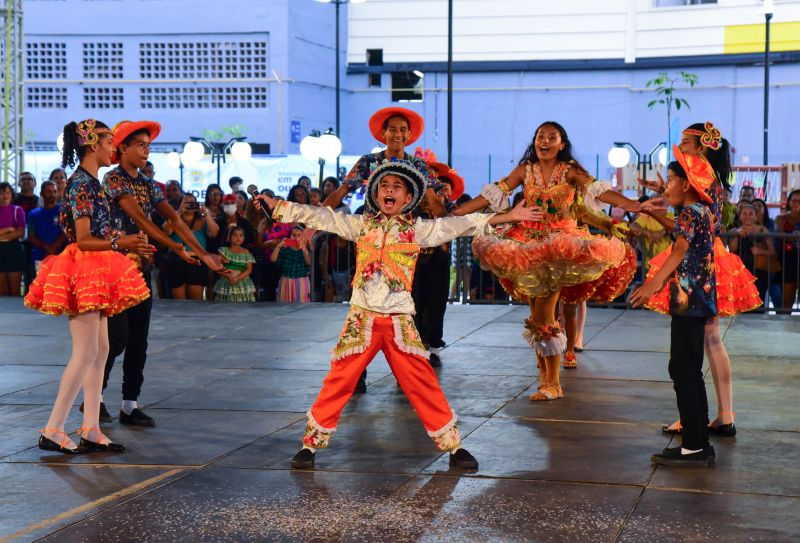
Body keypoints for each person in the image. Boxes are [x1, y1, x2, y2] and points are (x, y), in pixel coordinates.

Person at [255, 161, 542, 470]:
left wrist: (509, 216)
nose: (388, 189)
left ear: (408, 198)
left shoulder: (417, 230)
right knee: (339, 381)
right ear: (376, 195)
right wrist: (277, 207)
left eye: (396, 186)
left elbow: (461, 224)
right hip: (362, 320)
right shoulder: (362, 225)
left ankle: (453, 446)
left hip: (399, 322)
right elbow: (320, 216)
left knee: (422, 382)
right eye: (383, 186)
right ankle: (310, 446)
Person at [459, 121, 629, 401]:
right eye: (541, 136)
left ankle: (554, 383)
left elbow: (597, 191)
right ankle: (544, 377)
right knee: (536, 314)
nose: (545, 141)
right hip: (527, 245)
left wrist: (631, 205)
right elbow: (494, 193)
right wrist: (457, 213)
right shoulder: (526, 170)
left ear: (562, 143)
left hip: (559, 247)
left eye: (552, 137)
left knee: (546, 314)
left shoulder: (571, 170)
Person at [25, 119, 153, 454]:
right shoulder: (82, 183)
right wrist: (120, 241)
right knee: (85, 353)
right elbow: (83, 239)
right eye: (110, 141)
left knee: (100, 351)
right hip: (83, 268)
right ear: (93, 144)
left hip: (97, 266)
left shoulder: (92, 182)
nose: (114, 147)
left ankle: (91, 428)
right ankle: (53, 428)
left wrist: (123, 243)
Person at [97, 120, 223, 426]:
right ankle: (95, 396)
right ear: (122, 148)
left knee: (139, 337)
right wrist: (178, 249)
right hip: (114, 269)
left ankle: (130, 403)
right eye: (140, 145)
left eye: (148, 145)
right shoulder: (114, 180)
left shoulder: (151, 186)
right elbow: (141, 219)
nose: (145, 150)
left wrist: (202, 252)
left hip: (140, 270)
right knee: (115, 338)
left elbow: (176, 221)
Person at [639, 122, 761, 436]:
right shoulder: (713, 183)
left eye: (685, 143)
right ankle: (723, 414)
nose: (682, 147)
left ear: (701, 147)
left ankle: (696, 417)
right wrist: (663, 193)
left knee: (696, 345)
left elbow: (684, 229)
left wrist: (658, 207)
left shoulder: (705, 184)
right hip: (712, 256)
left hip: (702, 262)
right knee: (710, 340)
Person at [630, 150, 717, 467]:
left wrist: (652, 284)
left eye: (670, 179)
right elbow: (681, 233)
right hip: (698, 299)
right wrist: (655, 215)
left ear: (686, 183)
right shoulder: (701, 210)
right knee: (689, 369)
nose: (666, 185)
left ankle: (694, 445)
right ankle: (699, 442)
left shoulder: (691, 213)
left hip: (689, 300)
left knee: (682, 368)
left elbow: (680, 248)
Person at [163, 193, 220, 300]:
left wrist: (206, 213)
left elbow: (214, 232)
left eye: (192, 203)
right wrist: (179, 212)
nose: (189, 205)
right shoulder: (174, 219)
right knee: (178, 302)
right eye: (186, 202)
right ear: (180, 204)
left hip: (196, 262)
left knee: (195, 302)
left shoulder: (202, 221)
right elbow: (165, 231)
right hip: (176, 261)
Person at [728, 203, 776, 303]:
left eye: (751, 213)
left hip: (760, 270)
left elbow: (772, 251)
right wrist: (737, 233)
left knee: (759, 298)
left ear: (755, 216)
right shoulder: (734, 230)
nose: (747, 216)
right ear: (740, 216)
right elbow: (732, 249)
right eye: (744, 213)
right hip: (741, 271)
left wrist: (760, 251)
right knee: (743, 300)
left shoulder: (763, 230)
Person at [27, 181, 67, 276]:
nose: (52, 194)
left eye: (54, 191)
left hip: (60, 256)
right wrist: (47, 248)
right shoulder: (33, 214)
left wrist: (53, 248)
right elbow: (31, 236)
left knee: (58, 286)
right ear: (41, 194)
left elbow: (66, 232)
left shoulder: (63, 211)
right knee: (41, 286)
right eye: (49, 191)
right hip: (40, 256)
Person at [214, 226, 256, 302]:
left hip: (242, 282)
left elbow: (249, 269)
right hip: (226, 282)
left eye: (241, 235)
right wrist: (229, 276)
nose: (238, 238)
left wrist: (237, 278)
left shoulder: (246, 252)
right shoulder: (224, 251)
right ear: (229, 237)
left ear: (244, 238)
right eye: (235, 235)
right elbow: (217, 267)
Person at [271, 225, 311, 303]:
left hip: (301, 280)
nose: (296, 238)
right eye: (293, 235)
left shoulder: (305, 249)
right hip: (286, 280)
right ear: (290, 236)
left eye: (299, 235)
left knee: (301, 304)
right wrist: (278, 246)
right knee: (285, 303)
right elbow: (273, 259)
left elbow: (309, 262)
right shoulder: (285, 248)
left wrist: (304, 249)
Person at [0, 182, 27, 296]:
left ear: (12, 195)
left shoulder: (17, 210)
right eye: (1, 193)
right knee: (1, 291)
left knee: (15, 291)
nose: (5, 195)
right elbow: (15, 231)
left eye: (7, 193)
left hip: (14, 250)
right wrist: (9, 229)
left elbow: (20, 233)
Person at [776, 189, 800, 311]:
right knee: (787, 303)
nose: (797, 203)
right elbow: (782, 236)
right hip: (787, 261)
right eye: (794, 200)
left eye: (799, 201)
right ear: (789, 202)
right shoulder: (781, 218)